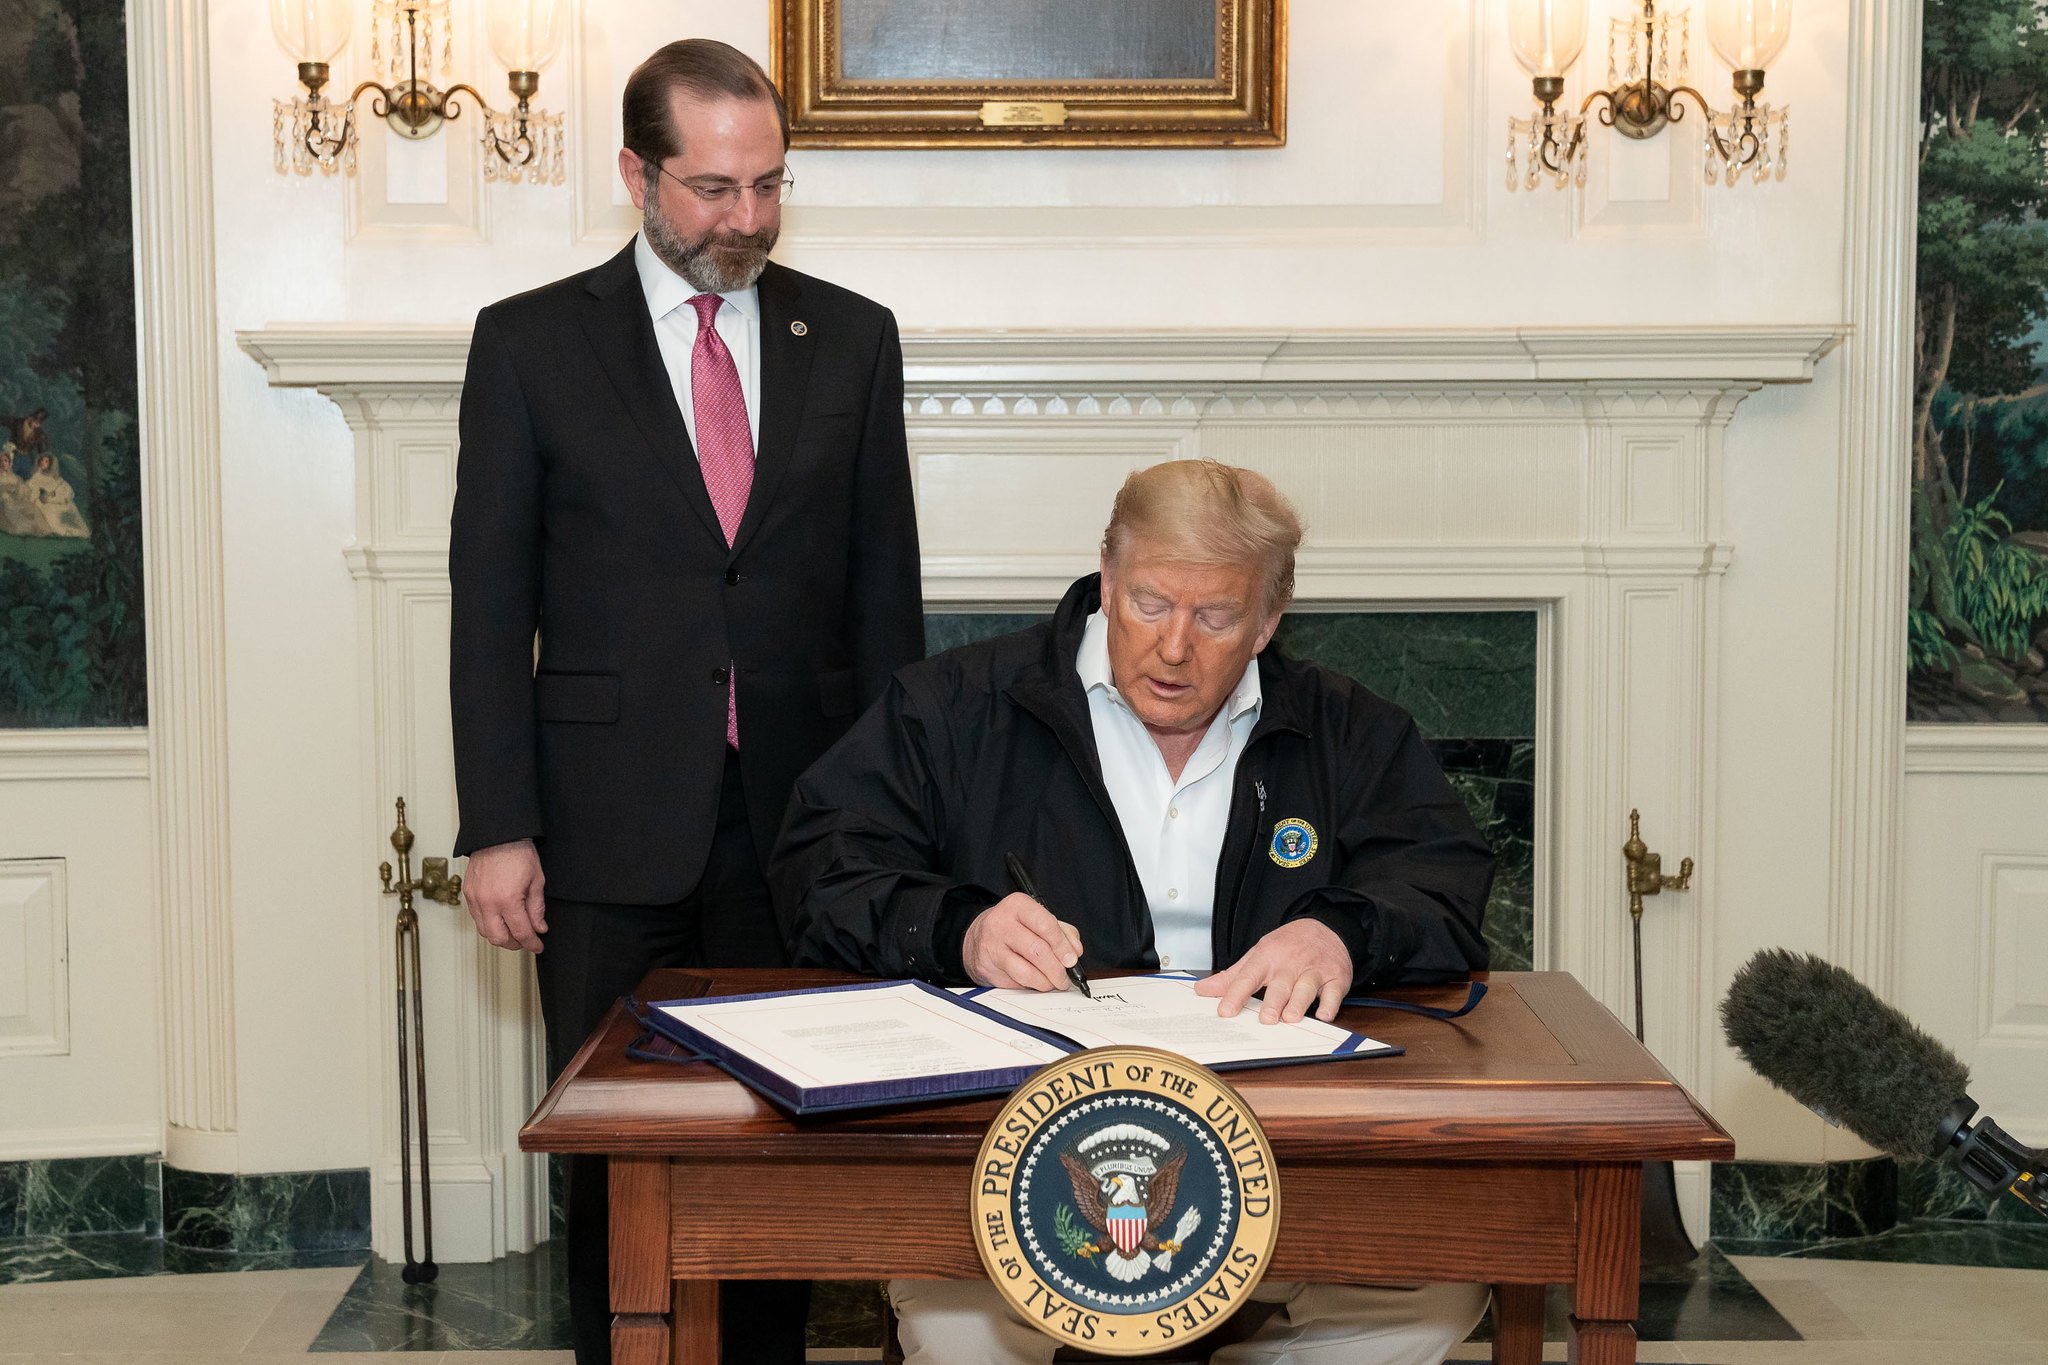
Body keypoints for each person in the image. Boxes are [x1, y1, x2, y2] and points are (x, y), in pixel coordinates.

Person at [777, 459, 1494, 1365]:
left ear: (1270, 621)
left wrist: (1340, 930)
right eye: (1151, 603)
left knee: (1435, 1291)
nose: (1175, 647)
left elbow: (1442, 879)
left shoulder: (1347, 729)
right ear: (1107, 582)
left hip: (1282, 1150)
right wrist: (962, 927)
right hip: (1017, 1154)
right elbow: (821, 870)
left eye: (1217, 616)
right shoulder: (951, 707)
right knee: (960, 1323)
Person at [447, 38, 924, 1365]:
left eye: (770, 185)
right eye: (716, 189)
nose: (748, 219)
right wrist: (499, 826)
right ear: (636, 176)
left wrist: (897, 819)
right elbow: (489, 608)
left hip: (797, 827)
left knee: (780, 1147)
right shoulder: (532, 345)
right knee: (620, 1155)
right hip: (604, 826)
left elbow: (888, 603)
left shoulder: (854, 339)